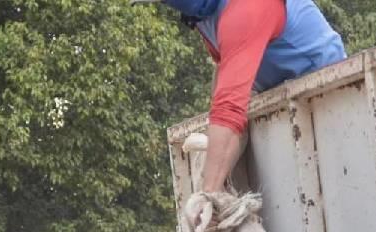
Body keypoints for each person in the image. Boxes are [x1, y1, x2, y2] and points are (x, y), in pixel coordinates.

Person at [140, 0, 346, 193]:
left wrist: (208, 195)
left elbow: (228, 109)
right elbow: (226, 69)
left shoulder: (246, 7)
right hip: (276, 99)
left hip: (330, 98)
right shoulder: (204, 14)